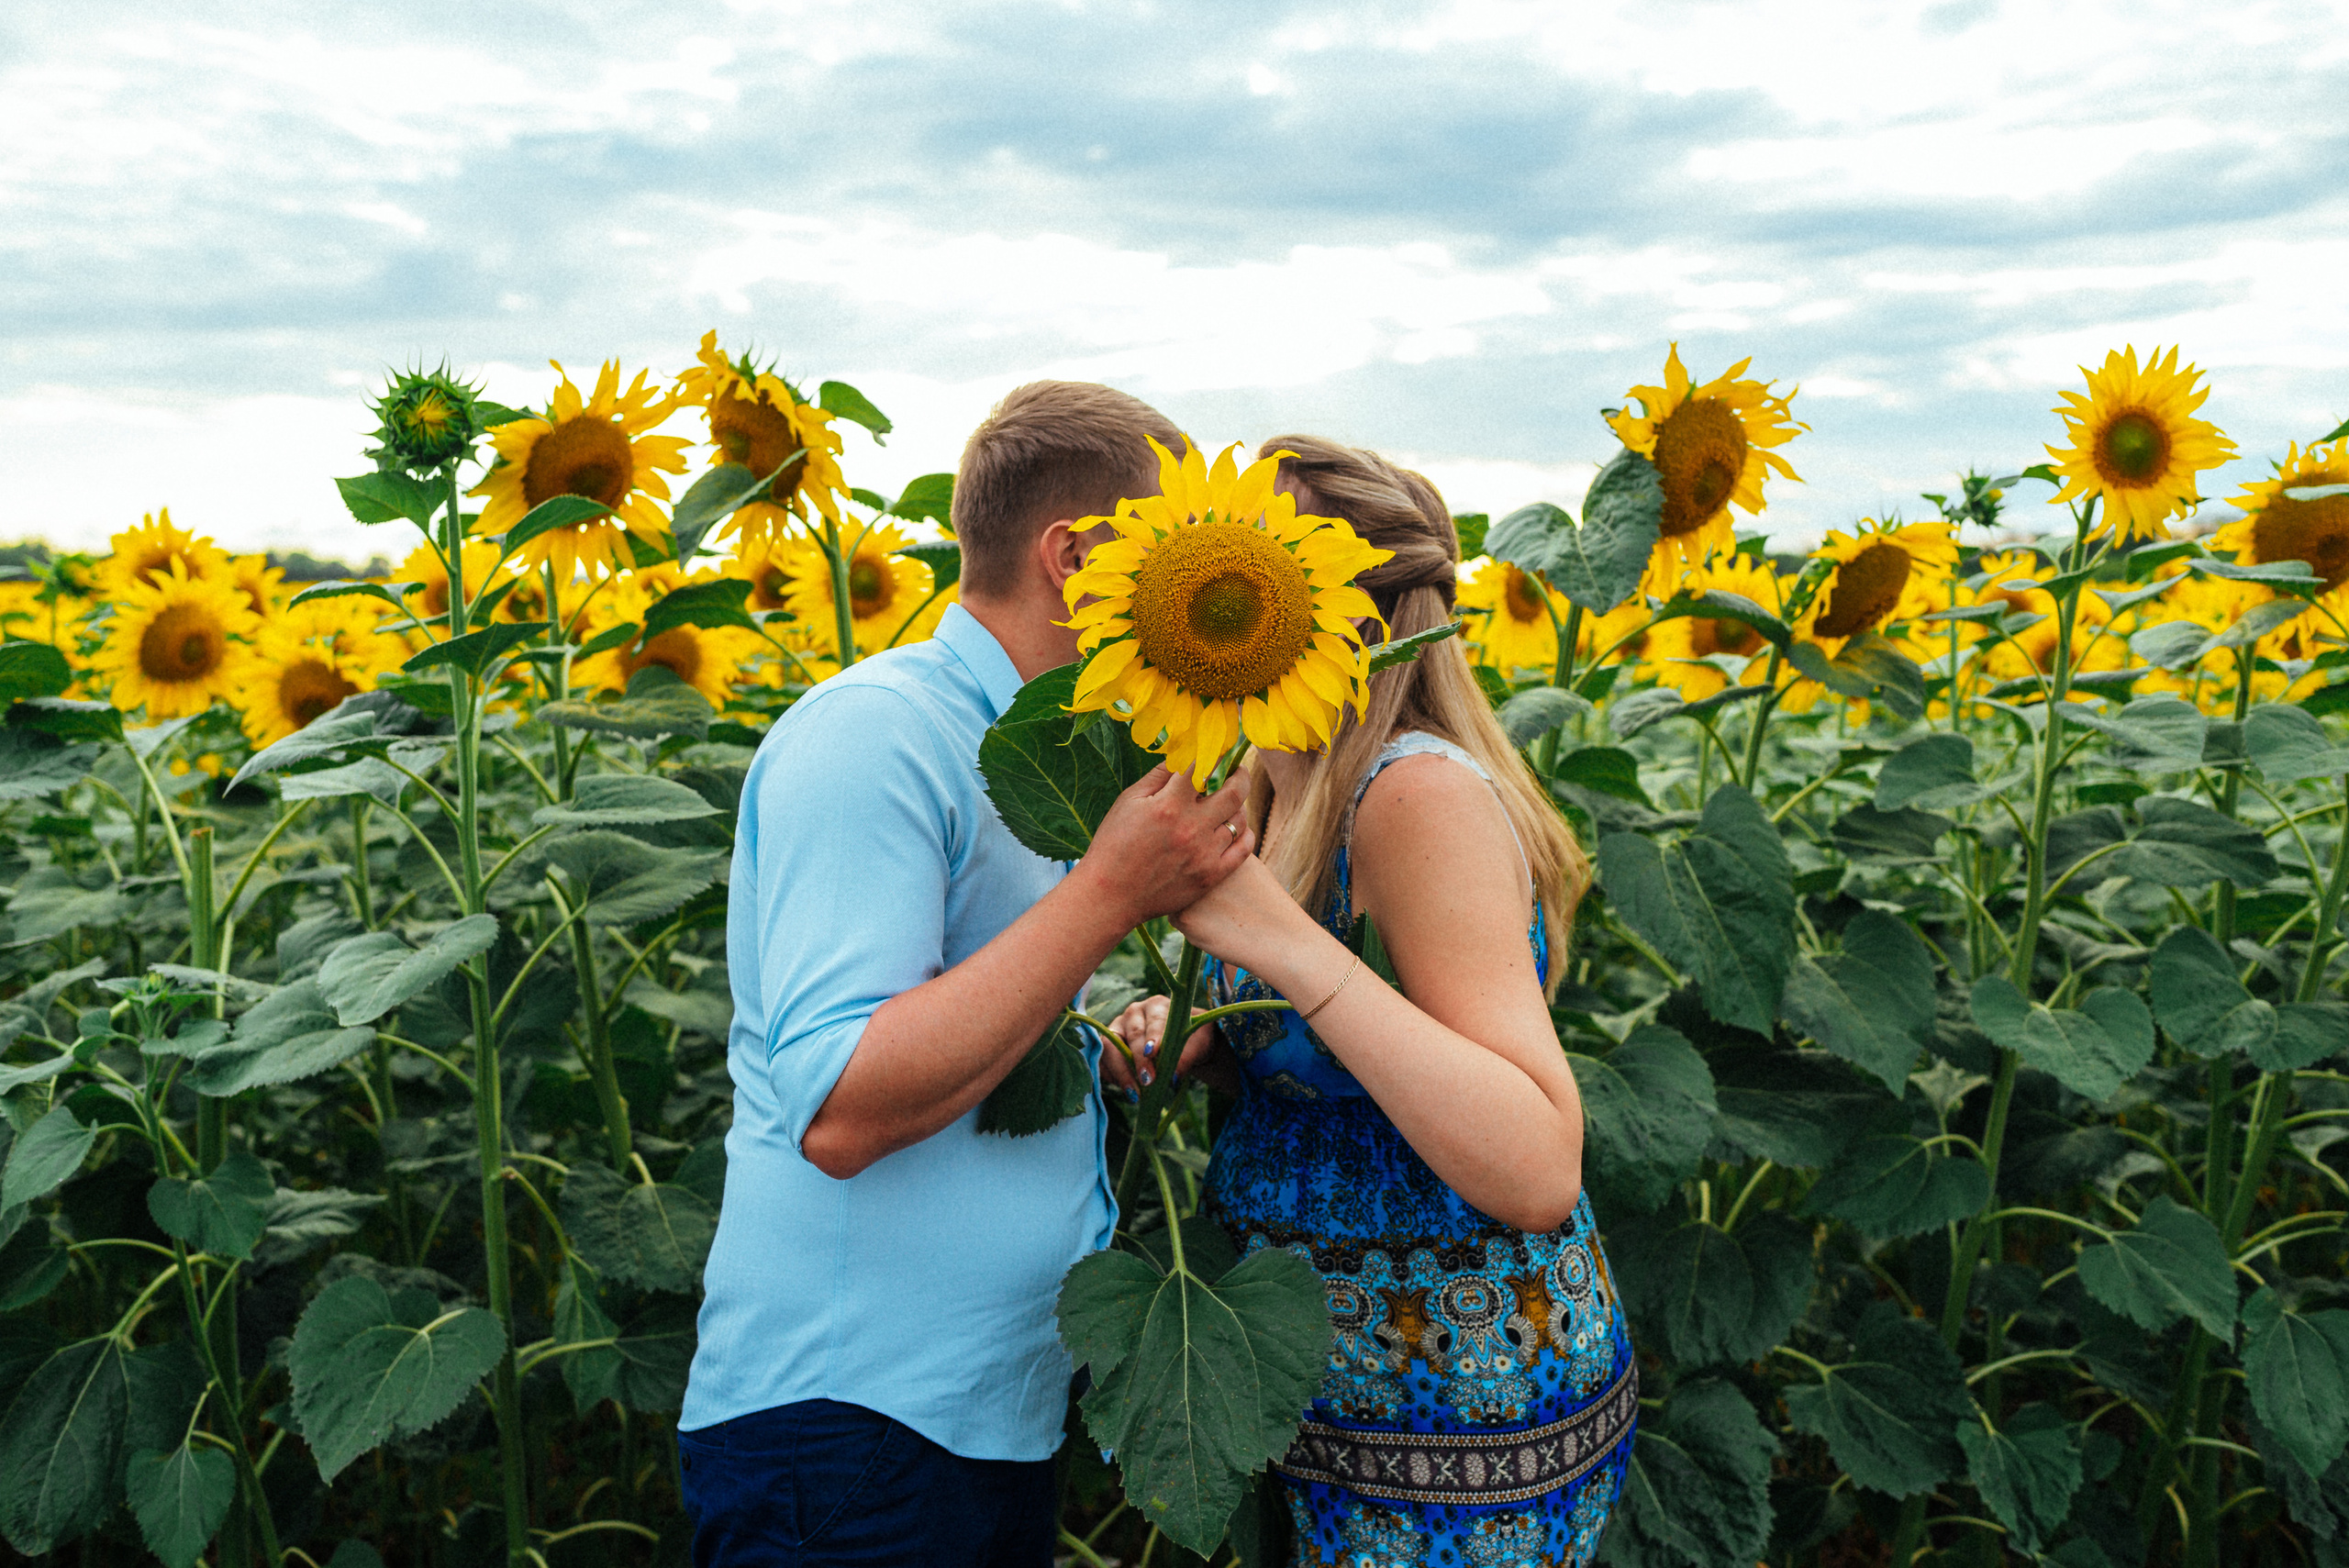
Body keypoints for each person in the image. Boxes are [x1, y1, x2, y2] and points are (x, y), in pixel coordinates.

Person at [680, 383, 1260, 1567]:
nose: (1197, 585)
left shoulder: (1041, 745)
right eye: (1172, 549)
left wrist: (1113, 1039)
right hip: (852, 1425)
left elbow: (973, 1016)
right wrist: (1108, 894)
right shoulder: (877, 733)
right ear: (1075, 557)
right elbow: (842, 1101)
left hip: (977, 1417)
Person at [1107, 437, 1636, 1566]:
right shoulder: (1275, 773)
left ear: (1335, 610)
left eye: (1253, 555)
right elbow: (1352, 1049)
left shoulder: (1411, 792)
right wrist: (1204, 1037)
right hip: (1326, 1399)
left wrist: (1279, 941)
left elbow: (1537, 1162)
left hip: (1455, 1419)